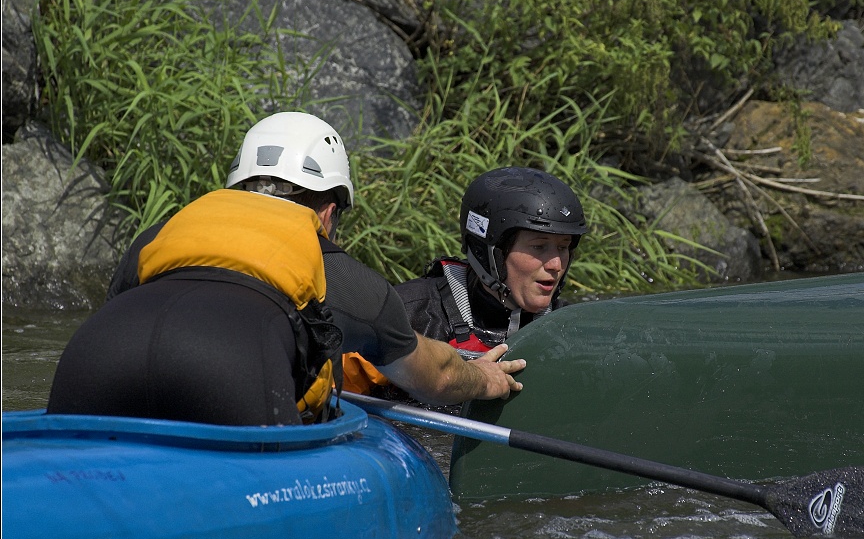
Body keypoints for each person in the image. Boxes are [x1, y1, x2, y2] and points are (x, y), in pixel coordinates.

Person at [47, 112, 525, 426]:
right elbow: (436, 376)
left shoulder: (158, 234)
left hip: (92, 359)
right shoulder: (343, 280)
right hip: (227, 375)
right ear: (330, 211)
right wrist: (484, 378)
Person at [343, 166, 586, 396]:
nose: (556, 265)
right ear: (489, 253)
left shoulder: (575, 327)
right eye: (539, 247)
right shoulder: (405, 316)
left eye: (563, 248)